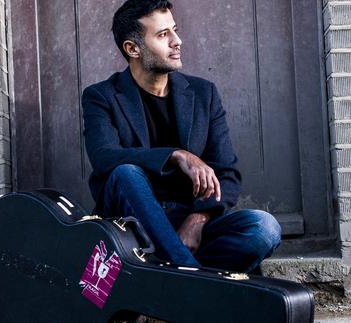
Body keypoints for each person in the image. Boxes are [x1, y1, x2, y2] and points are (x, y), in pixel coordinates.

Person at [82, 0, 281, 273]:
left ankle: (172, 278)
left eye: (174, 30)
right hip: (133, 229)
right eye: (163, 35)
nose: (177, 41)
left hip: (189, 223)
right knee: (125, 172)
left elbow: (226, 173)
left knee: (264, 228)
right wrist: (176, 156)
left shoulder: (203, 94)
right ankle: (190, 282)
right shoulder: (101, 96)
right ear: (133, 48)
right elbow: (104, 157)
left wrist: (197, 219)